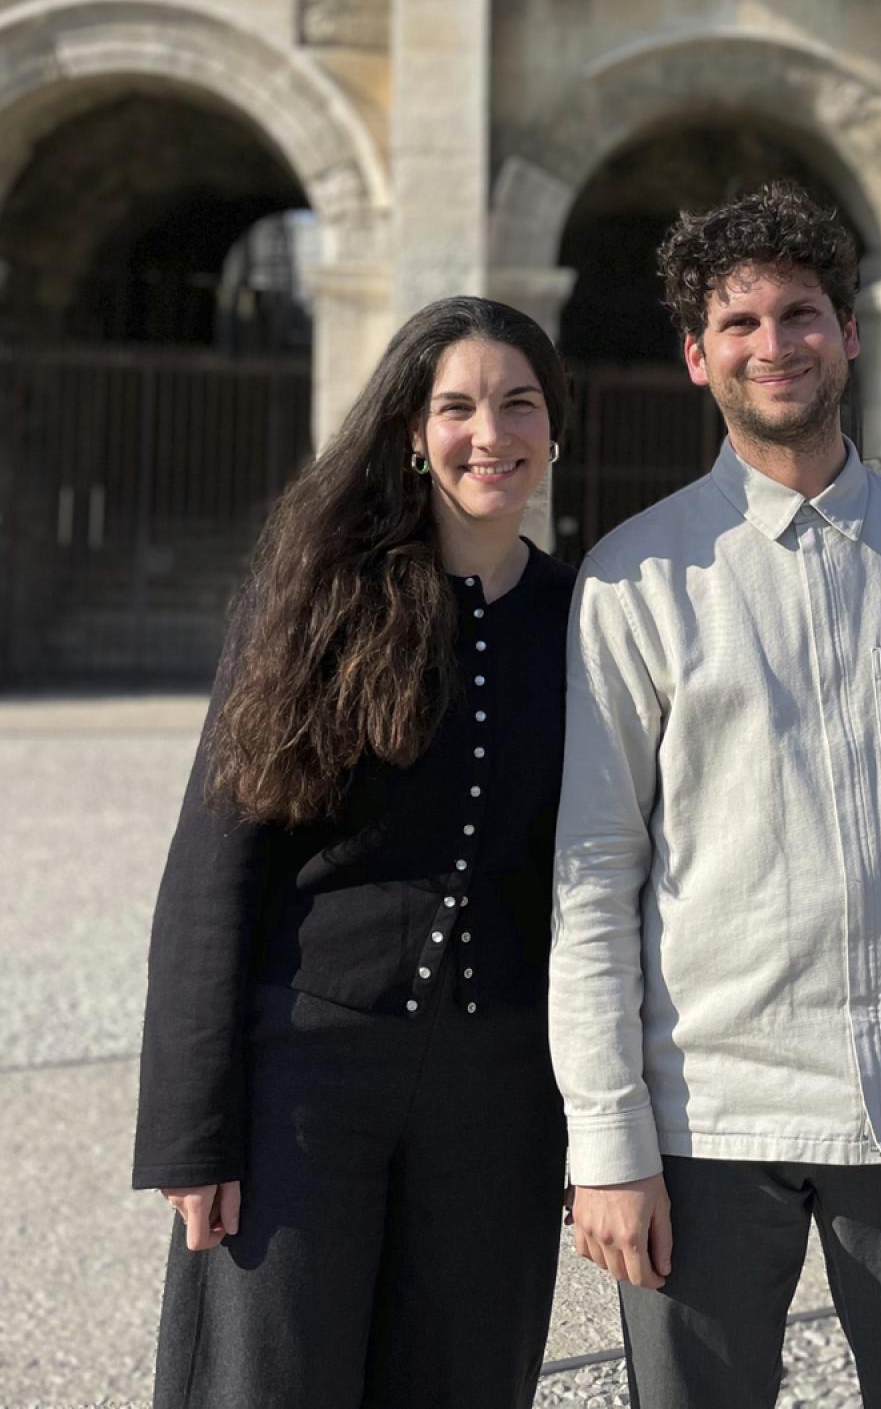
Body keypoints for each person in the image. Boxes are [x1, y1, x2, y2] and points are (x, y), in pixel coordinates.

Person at [549, 182, 881, 1409]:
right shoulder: (633, 580)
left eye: (798, 313)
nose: (771, 343)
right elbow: (591, 883)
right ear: (696, 357)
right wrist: (606, 1139)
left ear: (849, 331)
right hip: (703, 1115)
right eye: (736, 324)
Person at [133, 296, 575, 1409]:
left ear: (554, 430)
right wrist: (195, 1130)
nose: (491, 433)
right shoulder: (314, 604)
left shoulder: (587, 619)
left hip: (500, 1089)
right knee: (268, 1386)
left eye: (518, 404)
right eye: (458, 406)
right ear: (410, 433)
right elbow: (213, 868)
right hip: (304, 1080)